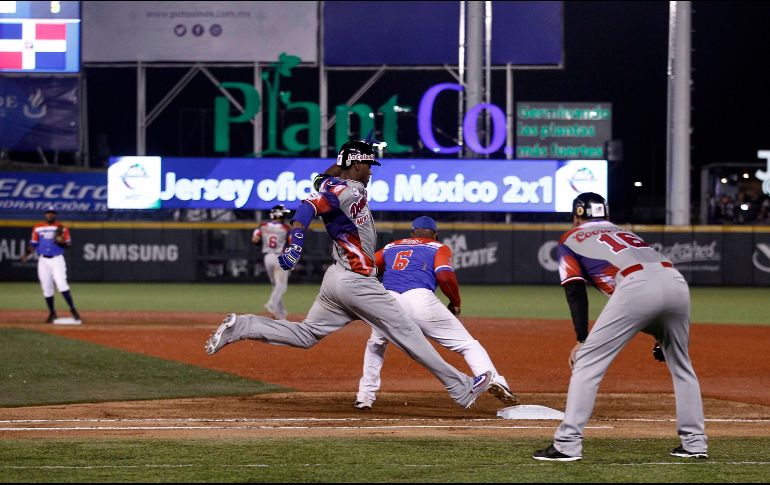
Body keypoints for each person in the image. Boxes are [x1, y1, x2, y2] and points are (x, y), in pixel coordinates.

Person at [205, 139, 507, 409]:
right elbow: (308, 206)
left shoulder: (331, 183)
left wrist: (346, 156)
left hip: (335, 281)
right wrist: (296, 242)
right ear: (356, 165)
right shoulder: (346, 190)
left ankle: (241, 326)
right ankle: (462, 388)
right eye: (367, 164)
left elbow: (321, 180)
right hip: (357, 282)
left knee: (307, 334)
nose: (371, 171)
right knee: (407, 332)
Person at [532, 192, 707, 461]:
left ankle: (567, 444)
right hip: (675, 280)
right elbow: (656, 291)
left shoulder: (569, 239)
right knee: (682, 365)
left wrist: (581, 338)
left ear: (577, 213)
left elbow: (575, 290)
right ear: (606, 213)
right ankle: (695, 443)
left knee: (587, 362)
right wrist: (661, 336)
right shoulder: (624, 232)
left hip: (635, 285)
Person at [354, 215, 519, 410]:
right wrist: (455, 301)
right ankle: (496, 381)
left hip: (387, 300)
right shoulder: (437, 247)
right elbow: (444, 275)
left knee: (376, 344)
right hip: (419, 298)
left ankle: (365, 396)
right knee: (467, 345)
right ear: (435, 235)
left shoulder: (392, 246)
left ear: (411, 232)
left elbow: (366, 268)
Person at [20, 206, 81, 323]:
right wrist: (26, 254)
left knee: (62, 285)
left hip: (57, 259)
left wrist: (60, 241)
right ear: (45, 214)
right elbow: (34, 243)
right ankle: (52, 313)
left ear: (55, 215)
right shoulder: (38, 228)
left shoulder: (61, 228)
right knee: (46, 288)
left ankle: (73, 310)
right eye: (48, 213)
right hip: (43, 260)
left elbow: (68, 245)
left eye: (52, 213)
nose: (50, 215)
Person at [251, 204, 292, 319]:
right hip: (280, 257)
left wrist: (263, 243)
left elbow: (255, 240)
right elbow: (292, 243)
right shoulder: (286, 228)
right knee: (282, 286)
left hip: (267, 257)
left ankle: (281, 314)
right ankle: (271, 305)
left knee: (276, 286)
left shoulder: (262, 226)